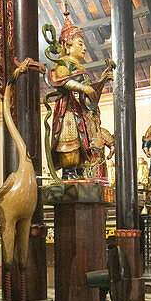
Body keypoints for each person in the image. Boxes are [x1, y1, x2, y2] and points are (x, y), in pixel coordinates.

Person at [44, 10, 114, 180]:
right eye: (80, 43)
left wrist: (103, 79)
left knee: (85, 144)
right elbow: (60, 79)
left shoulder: (81, 68)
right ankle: (69, 173)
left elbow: (91, 93)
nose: (84, 48)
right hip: (69, 110)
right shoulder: (63, 64)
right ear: (67, 44)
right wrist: (82, 88)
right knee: (70, 142)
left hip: (83, 113)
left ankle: (80, 174)